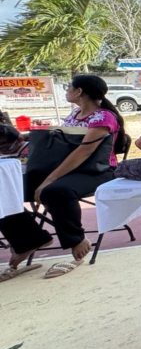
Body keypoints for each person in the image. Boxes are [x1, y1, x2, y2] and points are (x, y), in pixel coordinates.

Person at [0, 74, 127, 280]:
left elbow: (82, 153)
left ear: (79, 92)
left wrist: (49, 179)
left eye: (69, 87)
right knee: (5, 190)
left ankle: (77, 240)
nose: (66, 90)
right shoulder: (74, 115)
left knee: (56, 191)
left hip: (97, 171)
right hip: (68, 168)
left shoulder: (103, 118)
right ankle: (29, 240)